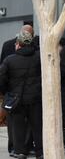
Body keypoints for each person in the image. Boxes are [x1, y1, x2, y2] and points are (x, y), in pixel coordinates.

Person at [0, 30, 43, 159]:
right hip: (35, 98)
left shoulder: (10, 60)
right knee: (37, 126)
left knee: (18, 127)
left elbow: (1, 79)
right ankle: (40, 152)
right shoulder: (38, 57)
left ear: (18, 44)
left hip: (16, 99)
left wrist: (6, 91)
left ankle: (19, 151)